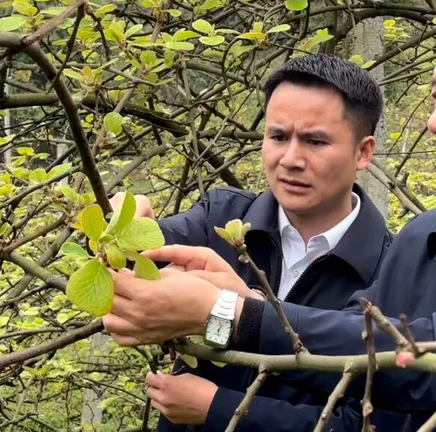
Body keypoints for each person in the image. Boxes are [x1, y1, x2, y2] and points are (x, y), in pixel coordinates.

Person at [103, 0, 436, 431]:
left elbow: (430, 369)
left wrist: (224, 312)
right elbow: (350, 388)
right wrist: (230, 307)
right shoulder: (423, 236)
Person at [112, 54, 397, 431]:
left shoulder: (390, 271)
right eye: (278, 136)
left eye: (315, 141)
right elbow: (139, 268)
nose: (291, 159)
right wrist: (123, 234)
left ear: (363, 152)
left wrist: (219, 408)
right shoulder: (222, 220)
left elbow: (367, 418)